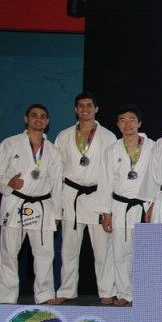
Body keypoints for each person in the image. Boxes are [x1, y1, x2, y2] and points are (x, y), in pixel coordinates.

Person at [0, 104, 63, 304]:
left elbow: (57, 184)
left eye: (42, 116)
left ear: (47, 121)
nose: (38, 119)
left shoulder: (53, 151)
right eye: (34, 116)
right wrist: (9, 182)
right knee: (9, 254)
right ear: (26, 119)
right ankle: (7, 299)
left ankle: (45, 295)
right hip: (15, 203)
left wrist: (57, 214)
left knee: (45, 254)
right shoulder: (9, 144)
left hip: (42, 205)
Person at [55, 92, 117, 304]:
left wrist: (108, 207)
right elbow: (57, 170)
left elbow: (111, 173)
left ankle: (106, 291)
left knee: (103, 249)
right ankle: (67, 290)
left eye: (89, 105)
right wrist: (57, 205)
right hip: (70, 195)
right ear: (76, 109)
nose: (85, 109)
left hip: (97, 195)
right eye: (81, 106)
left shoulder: (108, 137)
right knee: (68, 248)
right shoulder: (64, 136)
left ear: (96, 109)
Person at [98, 105, 155, 306]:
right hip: (120, 206)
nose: (127, 124)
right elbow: (105, 182)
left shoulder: (153, 147)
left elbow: (158, 178)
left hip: (145, 206)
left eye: (132, 119)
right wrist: (105, 213)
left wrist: (153, 205)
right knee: (120, 252)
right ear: (117, 124)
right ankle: (125, 294)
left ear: (139, 123)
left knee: (144, 253)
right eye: (123, 120)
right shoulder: (112, 150)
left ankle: (143, 292)